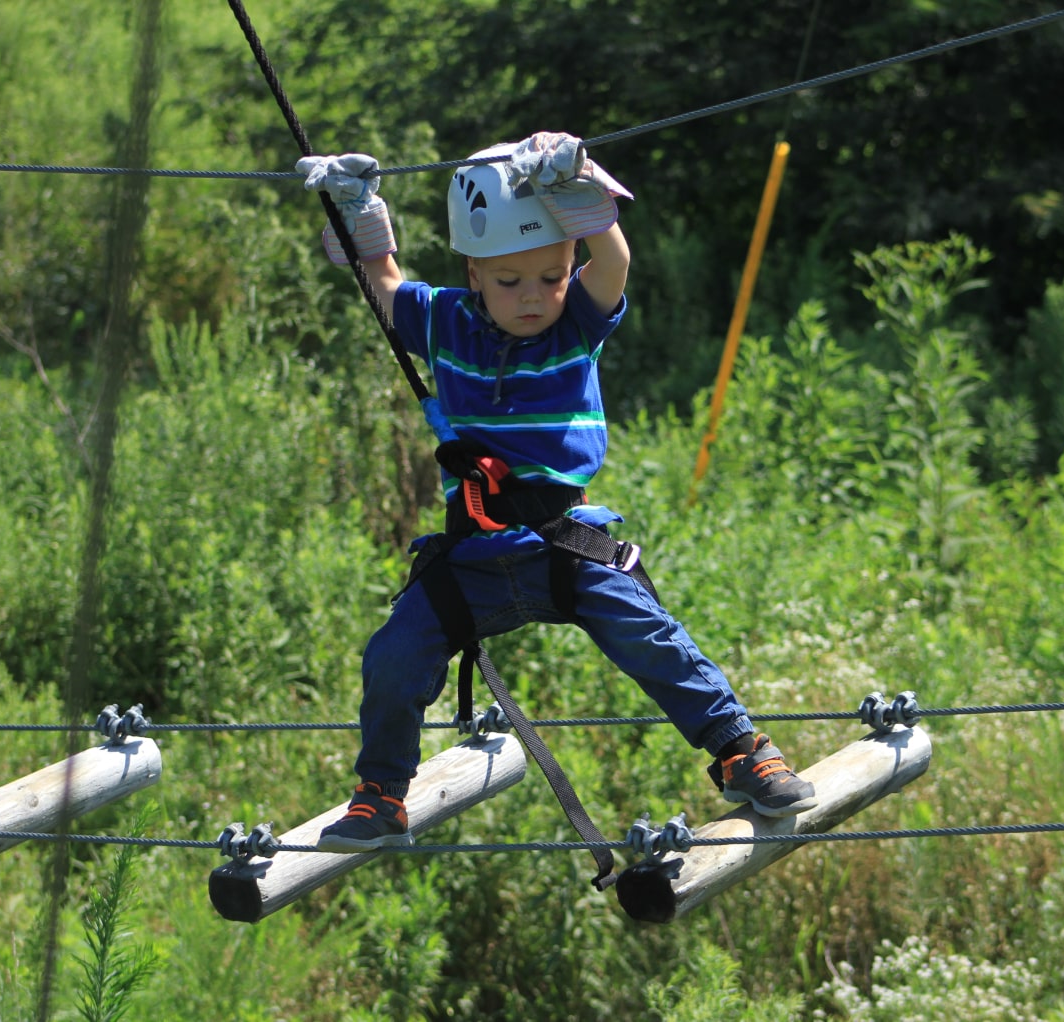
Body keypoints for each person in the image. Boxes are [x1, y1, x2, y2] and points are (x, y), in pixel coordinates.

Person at [297, 132, 816, 852]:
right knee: (393, 656)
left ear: (570, 262)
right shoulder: (444, 322)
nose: (534, 296)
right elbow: (381, 283)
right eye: (509, 282)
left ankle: (741, 751)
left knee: (651, 636)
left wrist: (577, 191)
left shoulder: (577, 325)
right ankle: (381, 794)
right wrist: (357, 206)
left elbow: (616, 262)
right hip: (472, 555)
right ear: (474, 272)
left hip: (560, 545)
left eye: (551, 274)